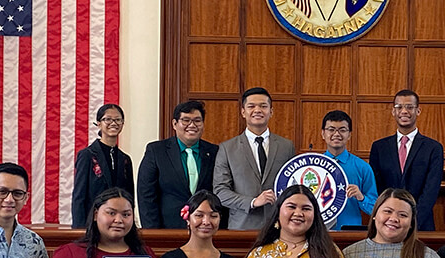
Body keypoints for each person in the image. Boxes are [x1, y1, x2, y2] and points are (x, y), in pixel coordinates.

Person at [213, 87, 295, 230]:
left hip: (279, 227)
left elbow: (293, 186)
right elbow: (220, 191)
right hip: (242, 228)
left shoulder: (286, 146)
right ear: (243, 112)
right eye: (251, 106)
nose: (257, 110)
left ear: (271, 111)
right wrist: (253, 202)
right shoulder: (227, 148)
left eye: (263, 106)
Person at [369, 89, 444, 232]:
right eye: (399, 107)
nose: (404, 111)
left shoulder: (433, 148)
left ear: (418, 111)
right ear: (393, 111)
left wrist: (412, 222)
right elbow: (378, 187)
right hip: (387, 225)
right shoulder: (379, 147)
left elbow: (431, 190)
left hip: (421, 225)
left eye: (409, 107)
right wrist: (390, 218)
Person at [137, 100, 219, 229]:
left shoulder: (215, 152)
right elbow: (146, 195)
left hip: (206, 228)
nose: (192, 125)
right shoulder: (156, 151)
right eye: (186, 120)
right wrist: (152, 231)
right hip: (168, 229)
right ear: (174, 124)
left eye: (197, 121)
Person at [71, 103, 135, 229]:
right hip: (93, 225)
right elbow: (79, 196)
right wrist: (79, 229)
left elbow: (129, 196)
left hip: (119, 225)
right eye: (108, 119)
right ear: (99, 123)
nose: (113, 123)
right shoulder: (87, 155)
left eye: (118, 120)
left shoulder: (125, 159)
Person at [320, 109, 377, 229]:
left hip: (349, 231)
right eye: (331, 129)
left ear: (349, 134)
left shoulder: (363, 167)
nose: (336, 134)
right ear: (323, 134)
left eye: (342, 130)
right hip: (318, 231)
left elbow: (375, 209)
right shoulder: (312, 166)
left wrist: (361, 197)